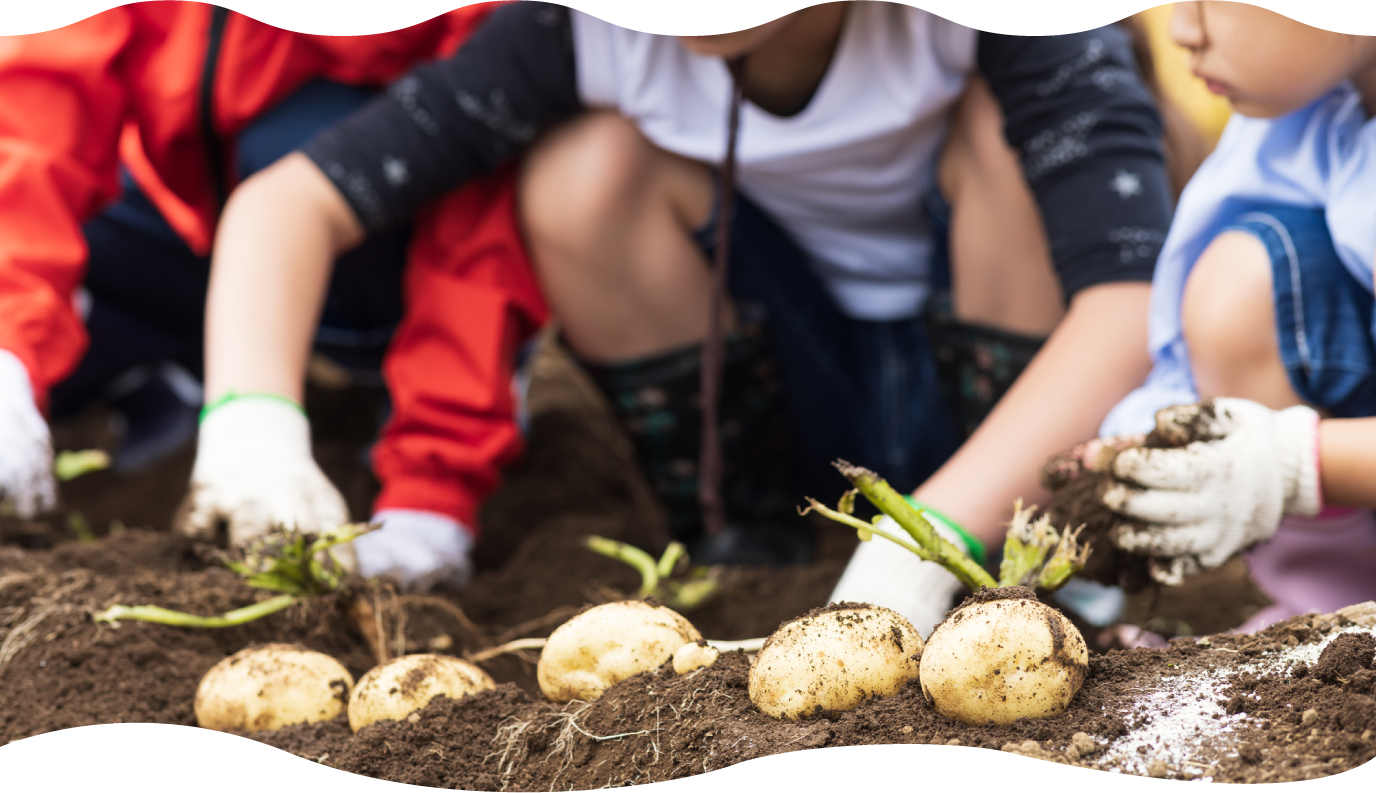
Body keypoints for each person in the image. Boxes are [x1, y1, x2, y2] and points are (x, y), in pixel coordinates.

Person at [195, 0, 1187, 626]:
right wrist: (252, 428)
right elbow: (290, 204)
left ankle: (1025, 553)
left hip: (1022, 407)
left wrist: (925, 534)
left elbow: (1126, 303)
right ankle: (742, 530)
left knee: (1006, 147)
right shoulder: (578, 28)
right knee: (584, 174)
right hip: (790, 401)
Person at [0, 0, 550, 588]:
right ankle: (173, 380)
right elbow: (35, 113)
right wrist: (8, 349)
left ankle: (382, 388)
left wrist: (433, 485)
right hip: (190, 219)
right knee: (89, 240)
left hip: (358, 243)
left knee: (293, 137)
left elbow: (477, 230)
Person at [1065, 0, 1376, 634]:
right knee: (1239, 281)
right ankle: (1335, 605)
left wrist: (1295, 461)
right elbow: (1192, 340)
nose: (1184, 29)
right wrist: (1148, 437)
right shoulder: (1306, 115)